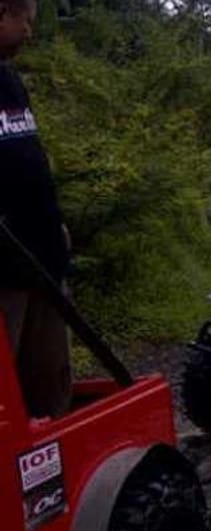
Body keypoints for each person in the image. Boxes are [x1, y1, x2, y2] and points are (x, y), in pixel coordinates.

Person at [0, 0, 72, 418]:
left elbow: (28, 157)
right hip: (4, 270)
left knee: (49, 376)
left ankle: (53, 467)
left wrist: (54, 221)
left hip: (44, 259)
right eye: (24, 21)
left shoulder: (10, 79)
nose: (29, 32)